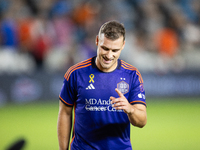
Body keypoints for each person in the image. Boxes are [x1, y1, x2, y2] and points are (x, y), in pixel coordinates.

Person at [57, 20, 147, 150]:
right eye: (105, 48)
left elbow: (142, 121)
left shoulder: (132, 75)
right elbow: (65, 113)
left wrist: (130, 109)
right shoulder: (76, 74)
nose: (109, 55)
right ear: (97, 41)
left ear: (123, 45)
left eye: (115, 50)